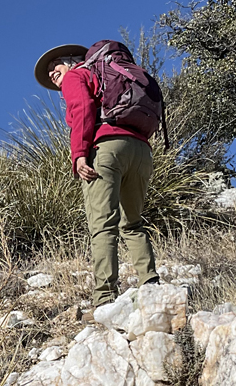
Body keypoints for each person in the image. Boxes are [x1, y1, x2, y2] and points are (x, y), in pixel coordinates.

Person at [34, 42, 159, 308]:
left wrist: (79, 153)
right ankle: (151, 285)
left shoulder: (77, 75)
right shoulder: (109, 74)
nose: (52, 74)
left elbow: (82, 108)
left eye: (54, 67)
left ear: (69, 61)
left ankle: (104, 298)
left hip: (107, 150)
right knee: (133, 223)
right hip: (141, 151)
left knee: (102, 226)